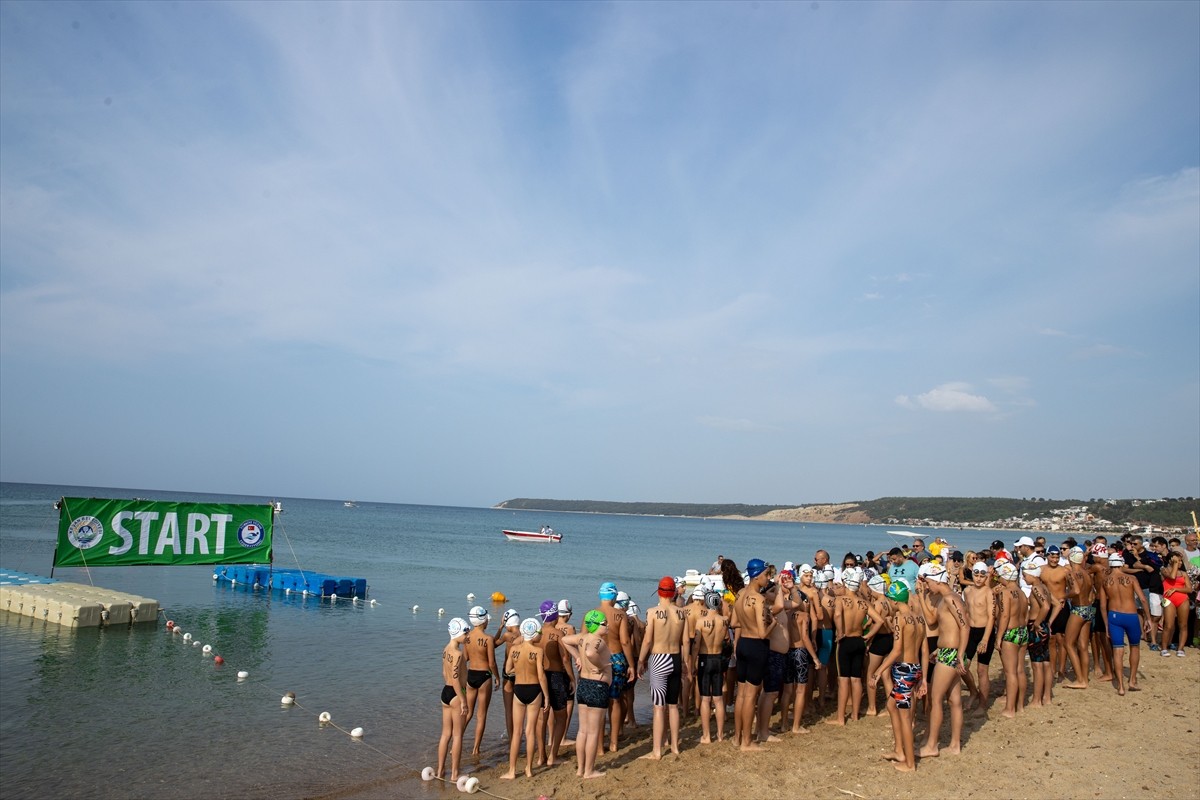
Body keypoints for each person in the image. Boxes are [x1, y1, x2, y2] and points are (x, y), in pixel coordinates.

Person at [918, 562, 972, 757]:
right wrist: (939, 651)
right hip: (946, 651)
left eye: (927, 582)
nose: (927, 586)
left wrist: (959, 654)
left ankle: (932, 745)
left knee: (936, 698)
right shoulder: (948, 598)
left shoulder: (950, 599)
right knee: (954, 700)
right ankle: (955, 745)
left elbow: (965, 626)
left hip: (951, 653)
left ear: (934, 579)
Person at [872, 581, 927, 773]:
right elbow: (924, 649)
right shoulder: (919, 618)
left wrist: (879, 670)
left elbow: (896, 651)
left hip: (904, 670)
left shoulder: (899, 619)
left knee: (905, 716)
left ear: (894, 600)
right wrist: (923, 676)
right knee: (891, 705)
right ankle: (899, 751)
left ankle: (909, 763)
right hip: (915, 667)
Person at [637, 576, 691, 760]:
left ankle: (657, 750)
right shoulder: (682, 613)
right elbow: (685, 641)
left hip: (659, 659)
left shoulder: (652, 612)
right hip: (675, 658)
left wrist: (640, 661)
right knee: (673, 706)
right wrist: (685, 662)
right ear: (674, 592)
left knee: (659, 707)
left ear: (659, 592)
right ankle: (675, 747)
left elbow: (647, 640)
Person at [826, 568, 883, 726]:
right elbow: (880, 621)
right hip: (859, 640)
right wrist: (868, 635)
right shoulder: (863, 603)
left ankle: (840, 718)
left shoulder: (840, 600)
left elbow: (837, 615)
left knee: (843, 680)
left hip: (845, 641)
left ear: (845, 584)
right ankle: (855, 715)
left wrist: (840, 632)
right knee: (857, 680)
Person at [559, 610, 612, 780]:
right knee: (593, 732)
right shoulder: (597, 640)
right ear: (596, 625)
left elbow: (565, 640)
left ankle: (580, 769)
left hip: (584, 685)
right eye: (605, 624)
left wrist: (577, 657)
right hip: (597, 686)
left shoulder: (582, 637)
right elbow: (590, 653)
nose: (608, 626)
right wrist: (602, 665)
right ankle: (589, 771)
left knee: (583, 731)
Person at [500, 618, 550, 780]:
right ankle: (528, 768)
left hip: (519, 690)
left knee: (516, 733)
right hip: (534, 690)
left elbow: (508, 669)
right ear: (534, 634)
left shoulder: (514, 649)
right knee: (530, 732)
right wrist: (547, 696)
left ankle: (512, 770)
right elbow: (541, 676)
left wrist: (519, 670)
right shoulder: (538, 651)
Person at [733, 557, 774, 751]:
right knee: (750, 696)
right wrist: (773, 622)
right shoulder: (759, 598)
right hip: (757, 646)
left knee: (741, 695)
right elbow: (762, 633)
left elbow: (734, 622)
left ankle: (737, 737)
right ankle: (747, 742)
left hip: (742, 645)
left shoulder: (740, 594)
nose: (768, 579)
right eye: (766, 575)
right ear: (757, 575)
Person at [591, 582, 636, 753]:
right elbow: (625, 642)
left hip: (598, 659)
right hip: (617, 658)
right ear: (614, 597)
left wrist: (581, 662)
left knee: (600, 703)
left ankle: (599, 746)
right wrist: (631, 665)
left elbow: (583, 639)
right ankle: (614, 743)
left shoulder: (591, 614)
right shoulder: (620, 615)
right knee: (615, 700)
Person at [1099, 551, 1150, 694]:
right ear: (1121, 563)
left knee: (1118, 650)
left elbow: (1103, 605)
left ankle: (1120, 686)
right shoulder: (1131, 578)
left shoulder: (1105, 581)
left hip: (1114, 616)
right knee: (1134, 647)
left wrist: (1106, 624)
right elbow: (1143, 599)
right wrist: (1148, 618)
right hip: (1131, 615)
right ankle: (1132, 680)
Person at [536, 601, 570, 765]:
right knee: (561, 716)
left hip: (539, 677)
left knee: (541, 718)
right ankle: (552, 756)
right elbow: (565, 658)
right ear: (555, 615)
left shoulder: (535, 633)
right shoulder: (558, 634)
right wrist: (572, 677)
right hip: (556, 676)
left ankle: (541, 755)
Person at [694, 589, 730, 743]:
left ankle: (707, 735)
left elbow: (696, 646)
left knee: (705, 699)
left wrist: (691, 663)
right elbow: (727, 639)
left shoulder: (701, 622)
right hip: (718, 658)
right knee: (718, 698)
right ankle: (720, 735)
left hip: (705, 658)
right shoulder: (724, 620)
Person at [437, 617, 470, 782]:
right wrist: (463, 700)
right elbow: (456, 678)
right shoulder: (458, 654)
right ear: (457, 633)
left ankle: (440, 770)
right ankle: (455, 774)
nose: (467, 635)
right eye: (465, 632)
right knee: (457, 736)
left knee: (445, 734)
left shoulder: (445, 650)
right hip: (457, 694)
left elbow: (445, 673)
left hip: (445, 692)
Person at [463, 606, 499, 756]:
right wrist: (497, 677)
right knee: (481, 715)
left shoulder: (467, 637)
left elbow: (465, 658)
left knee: (468, 713)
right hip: (484, 676)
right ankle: (476, 749)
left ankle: (455, 743)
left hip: (470, 675)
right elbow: (492, 663)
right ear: (483, 620)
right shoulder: (488, 639)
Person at [995, 560, 1030, 718]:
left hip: (1011, 633)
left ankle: (1010, 708)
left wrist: (999, 636)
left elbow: (1004, 615)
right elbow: (1026, 614)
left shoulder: (1005, 593)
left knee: (1010, 673)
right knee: (1020, 670)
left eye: (999, 576)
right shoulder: (1021, 592)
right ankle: (1020, 705)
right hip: (1023, 631)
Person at [1023, 556, 1057, 707]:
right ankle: (1047, 697)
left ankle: (1037, 700)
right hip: (1043, 625)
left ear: (1033, 575)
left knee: (1037, 665)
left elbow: (1046, 607)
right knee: (1046, 663)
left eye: (1025, 575)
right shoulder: (1045, 588)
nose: (1024, 578)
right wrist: (1047, 622)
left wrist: (1036, 623)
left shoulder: (1036, 588)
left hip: (1036, 626)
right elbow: (1057, 604)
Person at [962, 562, 995, 711]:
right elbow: (966, 613)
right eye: (976, 575)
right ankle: (973, 691)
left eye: (982, 576)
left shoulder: (989, 592)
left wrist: (985, 639)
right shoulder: (967, 591)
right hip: (971, 632)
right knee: (962, 667)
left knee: (982, 670)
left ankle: (982, 705)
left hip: (984, 632)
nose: (979, 579)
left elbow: (991, 617)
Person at [494, 608, 522, 740]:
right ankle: (520, 735)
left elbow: (493, 645)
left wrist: (499, 628)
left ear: (508, 624)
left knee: (508, 709)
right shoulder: (525, 634)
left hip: (508, 673)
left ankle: (512, 739)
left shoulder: (506, 635)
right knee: (521, 708)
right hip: (522, 673)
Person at [1161, 551, 1194, 656]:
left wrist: (1175, 589)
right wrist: (1174, 564)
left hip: (1182, 599)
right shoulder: (1164, 570)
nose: (1179, 562)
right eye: (1177, 560)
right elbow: (1172, 577)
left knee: (1183, 625)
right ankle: (1164, 648)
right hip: (1169, 599)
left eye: (1180, 561)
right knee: (1168, 625)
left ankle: (1180, 648)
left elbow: (1189, 589)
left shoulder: (1184, 574)